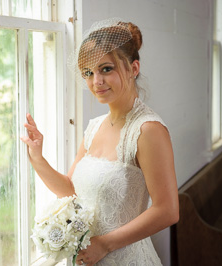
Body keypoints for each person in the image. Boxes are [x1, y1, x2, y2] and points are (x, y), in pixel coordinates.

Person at [20, 18, 179, 266]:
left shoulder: (148, 130)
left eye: (106, 69)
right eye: (88, 72)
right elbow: (71, 191)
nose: (97, 82)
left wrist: (104, 244)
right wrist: (38, 157)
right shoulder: (94, 126)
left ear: (133, 68)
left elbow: (167, 210)